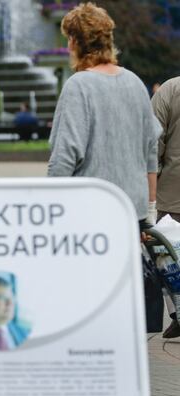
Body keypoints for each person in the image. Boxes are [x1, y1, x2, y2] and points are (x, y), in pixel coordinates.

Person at [48, 3, 160, 228]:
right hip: (132, 212)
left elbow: (64, 158)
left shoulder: (78, 86)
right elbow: (151, 150)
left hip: (91, 213)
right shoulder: (135, 83)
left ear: (74, 42)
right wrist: (150, 208)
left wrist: (50, 210)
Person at [151, 75, 180, 338]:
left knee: (166, 257)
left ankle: (178, 313)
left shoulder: (170, 89)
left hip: (173, 194)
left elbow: (152, 142)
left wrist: (154, 177)